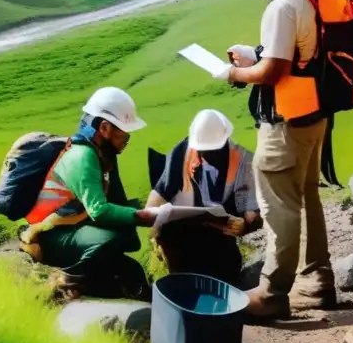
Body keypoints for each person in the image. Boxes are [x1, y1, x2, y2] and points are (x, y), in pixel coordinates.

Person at [223, 0, 335, 320]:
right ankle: (317, 280)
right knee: (305, 197)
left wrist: (234, 74)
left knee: (278, 205)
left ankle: (272, 291)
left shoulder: (281, 5)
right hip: (312, 116)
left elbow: (272, 72)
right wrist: (255, 54)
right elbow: (293, 57)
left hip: (285, 123)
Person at [20, 87, 167, 302]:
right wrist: (140, 216)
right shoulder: (83, 157)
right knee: (110, 239)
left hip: (74, 227)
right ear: (105, 128)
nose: (128, 138)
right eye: (124, 131)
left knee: (132, 271)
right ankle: (65, 280)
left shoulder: (101, 154)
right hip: (52, 234)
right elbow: (98, 211)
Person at [146, 109, 263, 286]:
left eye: (210, 151)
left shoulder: (243, 162)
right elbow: (159, 194)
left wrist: (244, 225)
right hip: (183, 231)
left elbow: (255, 212)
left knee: (225, 275)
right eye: (201, 150)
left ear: (225, 142)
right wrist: (154, 236)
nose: (204, 155)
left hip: (219, 235)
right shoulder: (184, 152)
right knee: (168, 237)